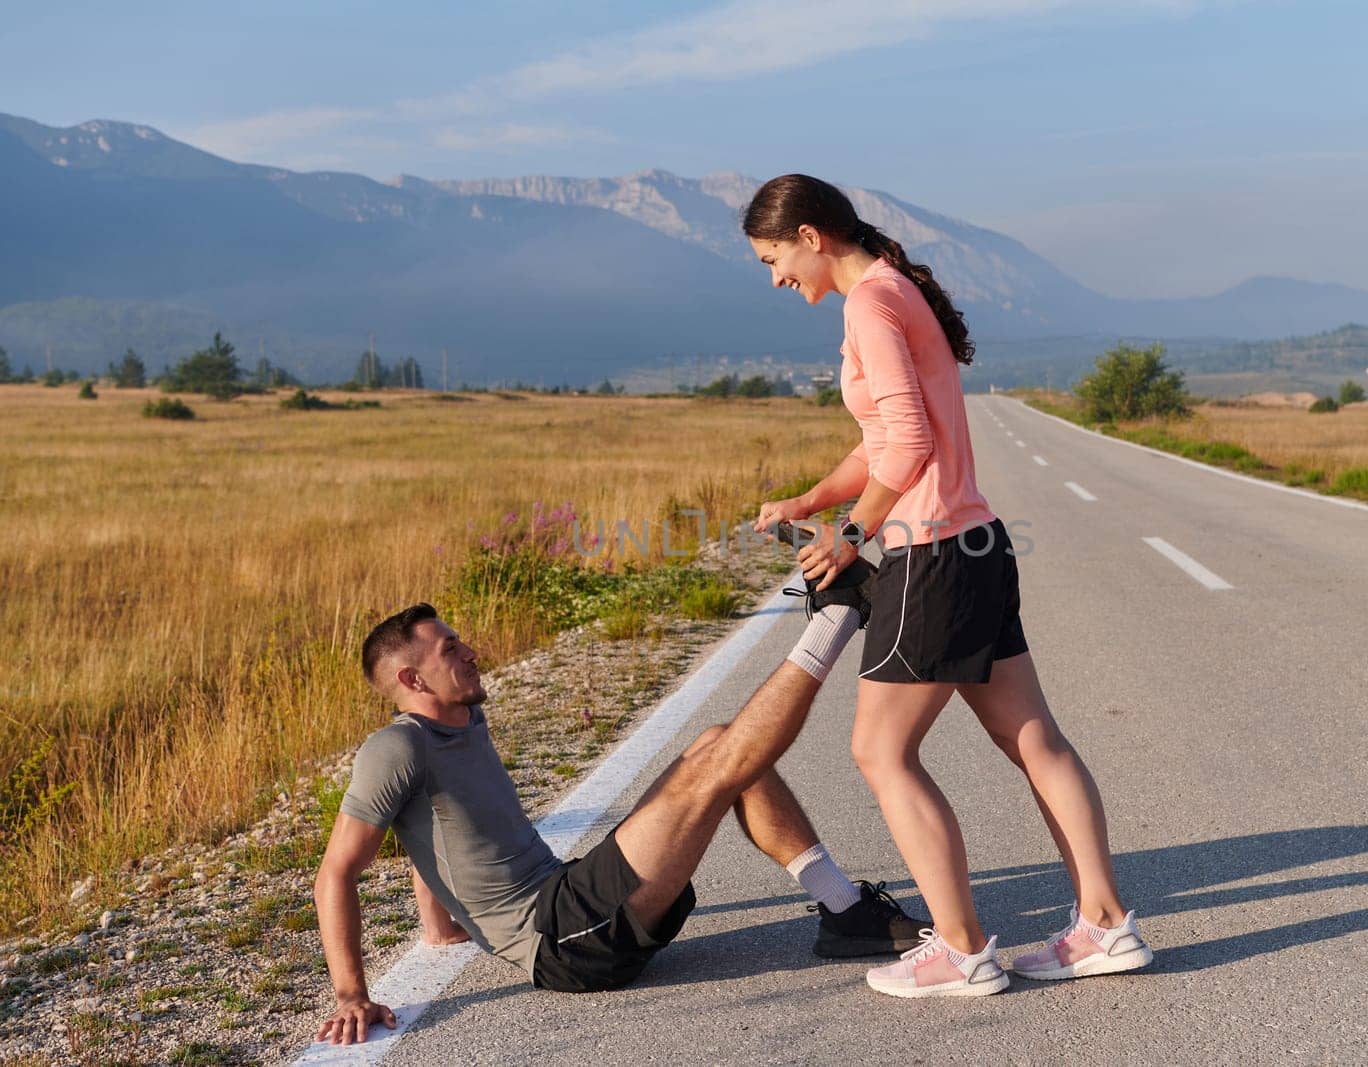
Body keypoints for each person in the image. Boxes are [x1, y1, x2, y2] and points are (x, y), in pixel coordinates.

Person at [746, 173, 1153, 999]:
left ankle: (961, 949)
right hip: (976, 544)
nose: (776, 277)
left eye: (773, 257)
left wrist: (851, 535)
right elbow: (882, 437)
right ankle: (1106, 926)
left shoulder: (871, 304)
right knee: (1034, 738)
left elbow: (907, 443)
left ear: (812, 237)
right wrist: (811, 499)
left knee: (880, 749)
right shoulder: (893, 291)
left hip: (931, 555)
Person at [313, 586, 926, 1045]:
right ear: (411, 677)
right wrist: (352, 996)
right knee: (726, 762)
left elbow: (434, 823)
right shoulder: (395, 747)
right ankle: (840, 616)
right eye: (452, 649)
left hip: (570, 895)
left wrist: (442, 926)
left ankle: (844, 911)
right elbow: (337, 872)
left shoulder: (463, 720)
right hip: (562, 939)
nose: (472, 652)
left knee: (717, 743)